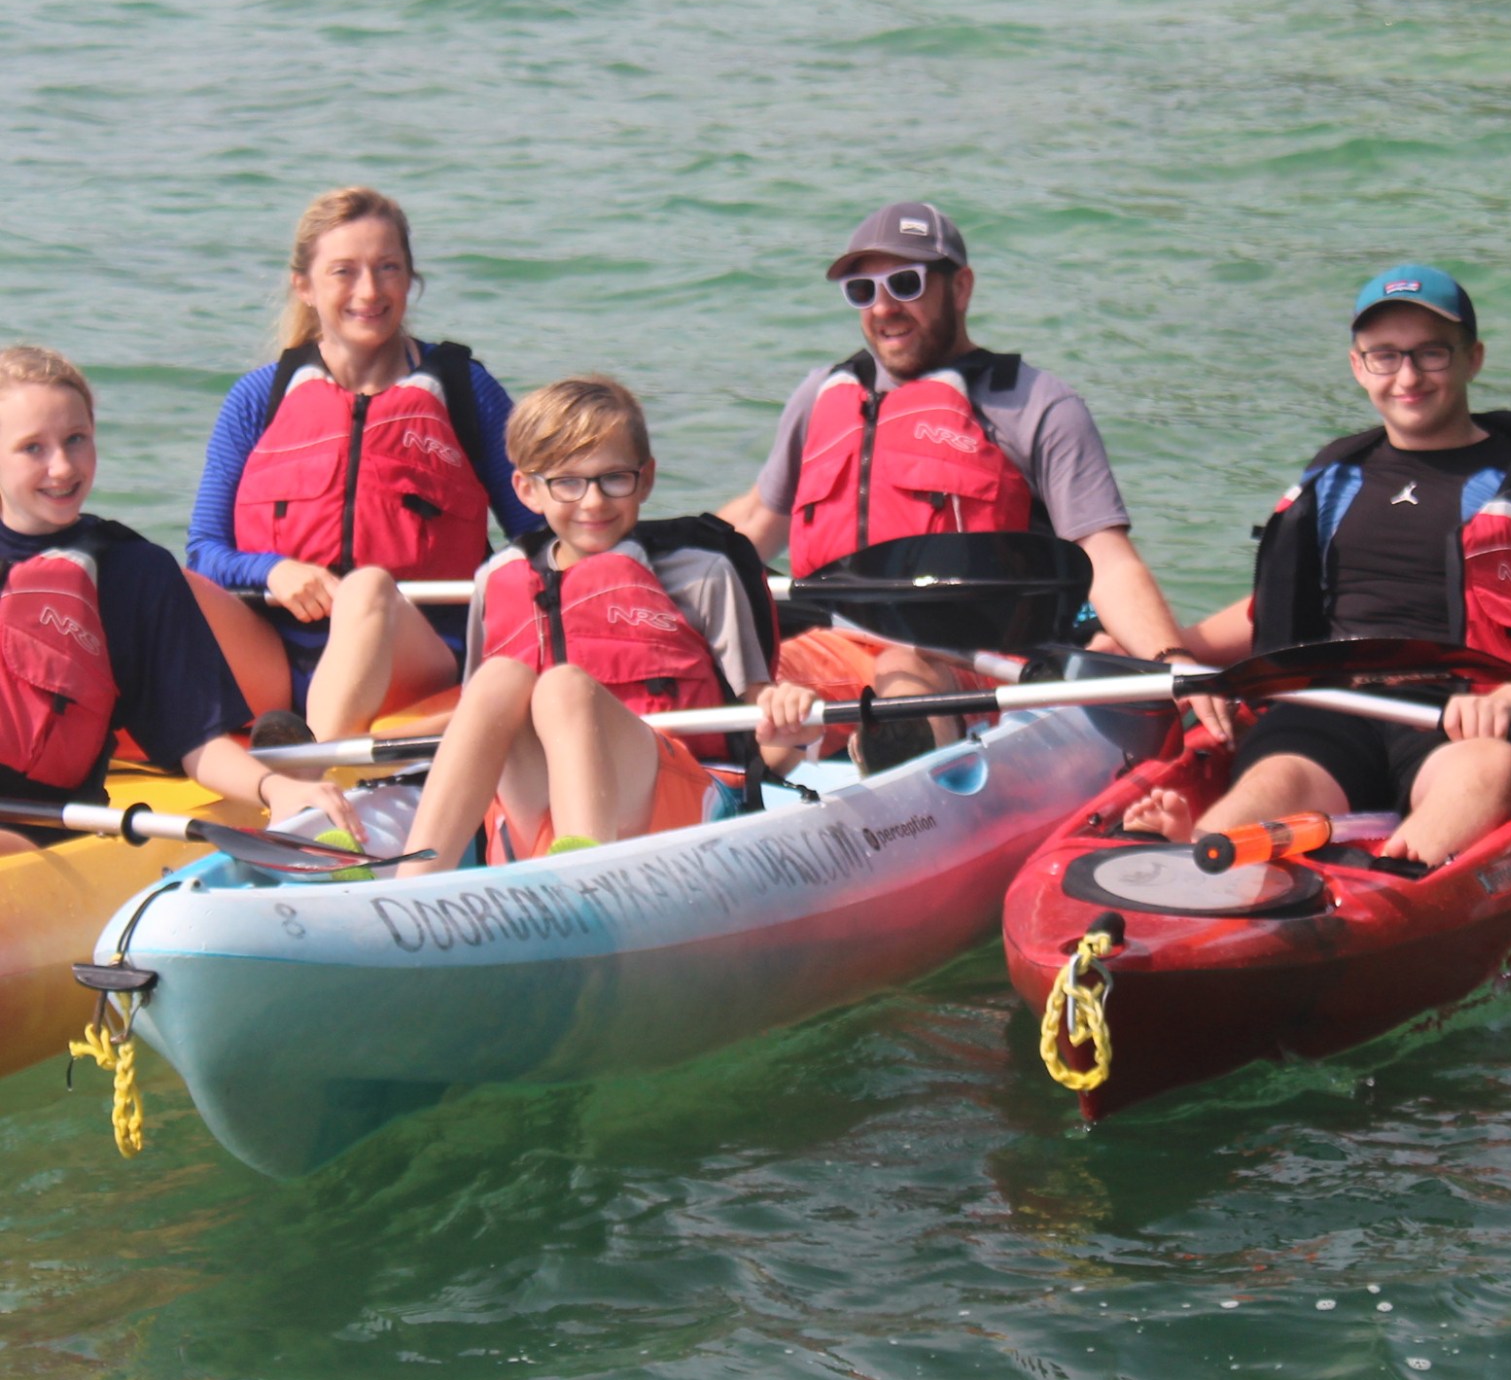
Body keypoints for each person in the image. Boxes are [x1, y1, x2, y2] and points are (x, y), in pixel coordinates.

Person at [1128, 264, 1511, 867]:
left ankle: (1399, 876)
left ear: (1474, 358)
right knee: (1269, 784)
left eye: (1431, 354)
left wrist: (1510, 702)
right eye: (1384, 356)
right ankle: (1198, 857)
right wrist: (1170, 647)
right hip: (1337, 709)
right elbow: (1272, 613)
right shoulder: (1333, 478)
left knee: (1486, 774)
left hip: (1467, 718)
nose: (1408, 376)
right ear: (1359, 367)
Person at [721, 200, 1223, 762]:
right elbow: (754, 525)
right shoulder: (821, 397)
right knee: (751, 681)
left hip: (968, 658)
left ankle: (890, 779)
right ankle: (731, 797)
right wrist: (636, 560)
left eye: (905, 284)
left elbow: (1106, 560)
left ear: (960, 287)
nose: (883, 307)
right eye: (863, 291)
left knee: (903, 669)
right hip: (834, 642)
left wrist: (1171, 657)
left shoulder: (1035, 405)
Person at [401, 375, 816, 870]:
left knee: (563, 689)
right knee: (498, 677)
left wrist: (785, 711)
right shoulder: (497, 580)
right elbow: (482, 725)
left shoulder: (703, 573)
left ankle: (585, 878)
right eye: (568, 482)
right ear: (527, 490)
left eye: (614, 478)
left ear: (646, 478)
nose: (594, 502)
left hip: (680, 805)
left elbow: (757, 717)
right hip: (537, 816)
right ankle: (413, 881)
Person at [186, 186, 540, 743]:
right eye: (344, 272)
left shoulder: (465, 391)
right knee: (153, 579)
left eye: (388, 268)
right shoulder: (259, 398)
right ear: (303, 286)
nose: (369, 291)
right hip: (281, 658)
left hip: (416, 654)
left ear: (410, 280)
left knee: (367, 588)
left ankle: (313, 777)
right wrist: (272, 570)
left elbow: (538, 537)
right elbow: (205, 551)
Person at [0, 344, 356, 852]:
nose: (62, 466)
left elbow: (198, 741)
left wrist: (274, 787)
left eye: (76, 439)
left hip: (45, 837)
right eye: (32, 447)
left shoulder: (133, 573)